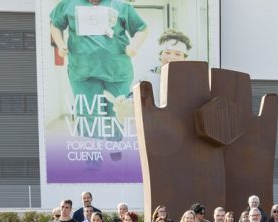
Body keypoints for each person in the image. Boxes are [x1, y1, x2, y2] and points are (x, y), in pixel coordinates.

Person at [49, 1, 148, 142]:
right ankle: (92, 157)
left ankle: (114, 148)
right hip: (82, 70)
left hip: (117, 71)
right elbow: (55, 25)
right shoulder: (68, 4)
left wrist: (135, 46)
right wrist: (60, 44)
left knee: (116, 112)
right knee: (88, 113)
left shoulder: (122, 5)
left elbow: (142, 29)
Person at [140, 29, 191, 106]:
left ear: (184, 58)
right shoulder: (147, 78)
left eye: (177, 54)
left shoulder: (191, 80)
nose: (171, 57)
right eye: (167, 52)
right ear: (160, 55)